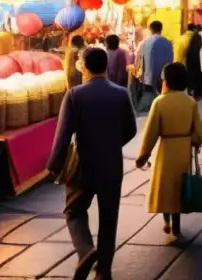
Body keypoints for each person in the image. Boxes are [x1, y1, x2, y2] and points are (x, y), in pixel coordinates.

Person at [48, 47, 137, 280]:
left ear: (85, 67)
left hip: (82, 166)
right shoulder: (120, 93)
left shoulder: (75, 94)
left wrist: (55, 165)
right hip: (111, 165)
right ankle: (103, 271)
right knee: (109, 218)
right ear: (106, 65)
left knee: (74, 211)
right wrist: (111, 143)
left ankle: (86, 250)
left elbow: (63, 135)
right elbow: (131, 129)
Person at [137, 62, 202, 243]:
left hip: (166, 150)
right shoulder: (190, 102)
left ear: (166, 81)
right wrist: (193, 141)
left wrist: (143, 156)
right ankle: (176, 226)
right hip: (183, 149)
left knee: (166, 188)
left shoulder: (159, 102)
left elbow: (151, 132)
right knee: (180, 188)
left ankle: (166, 221)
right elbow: (200, 131)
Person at [141, 21, 174, 97]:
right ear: (161, 29)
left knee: (150, 99)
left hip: (148, 77)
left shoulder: (146, 42)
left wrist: (142, 74)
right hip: (163, 77)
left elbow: (142, 60)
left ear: (151, 29)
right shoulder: (168, 42)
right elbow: (171, 59)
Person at [184, 24, 202, 99]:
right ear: (194, 29)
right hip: (196, 59)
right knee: (196, 77)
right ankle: (197, 93)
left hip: (189, 59)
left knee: (191, 76)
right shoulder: (196, 36)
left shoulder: (184, 36)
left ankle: (191, 91)